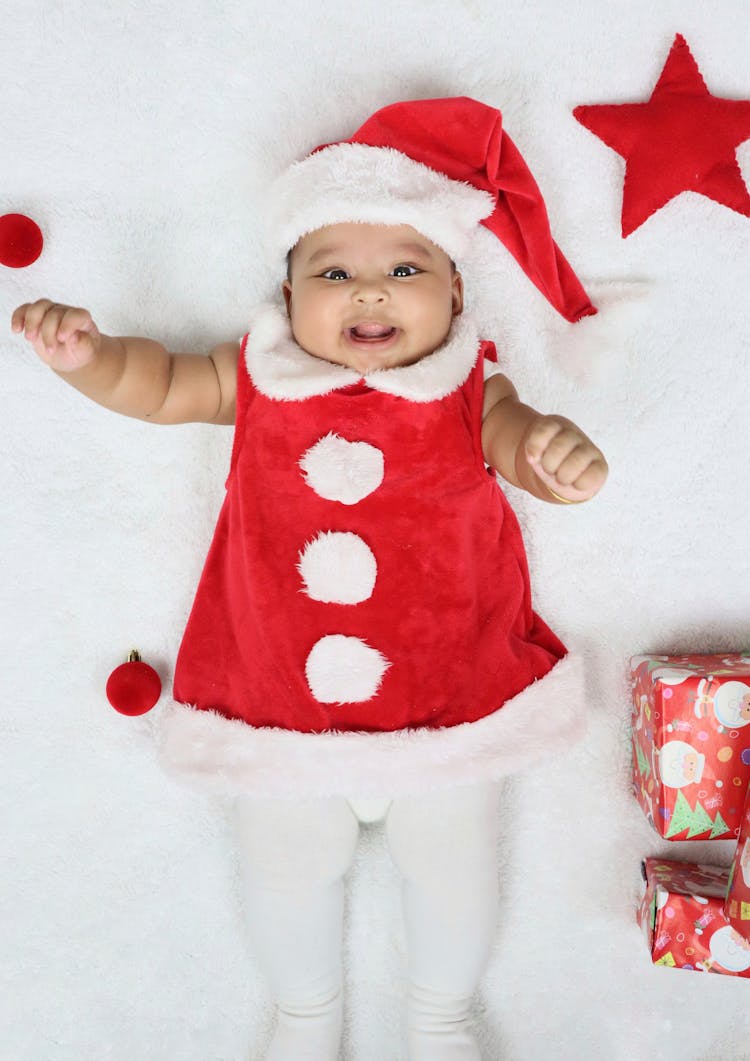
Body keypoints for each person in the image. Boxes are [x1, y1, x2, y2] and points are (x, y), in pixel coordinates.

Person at [12, 97, 608, 1060]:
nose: (369, 294)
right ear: (288, 301)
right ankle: (303, 1017)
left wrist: (552, 454)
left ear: (458, 297)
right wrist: (91, 361)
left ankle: (440, 1019)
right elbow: (159, 385)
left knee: (453, 876)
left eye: (404, 270)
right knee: (287, 876)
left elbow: (516, 441)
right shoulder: (256, 376)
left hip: (448, 705)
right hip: (277, 704)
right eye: (333, 272)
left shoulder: (467, 386)